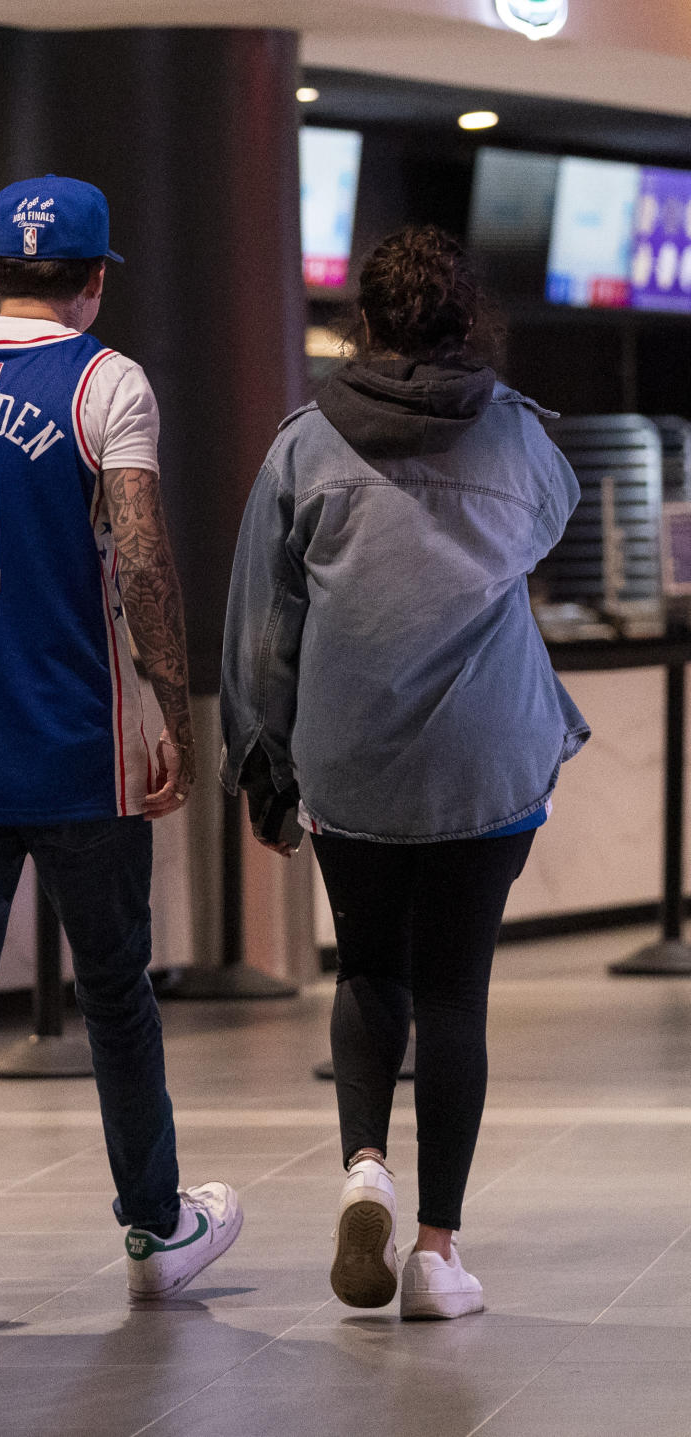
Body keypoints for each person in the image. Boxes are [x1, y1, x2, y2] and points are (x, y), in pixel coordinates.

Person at [0, 173, 242, 1332]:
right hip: (80, 748)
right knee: (118, 993)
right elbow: (145, 558)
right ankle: (157, 1229)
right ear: (98, 278)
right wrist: (176, 706)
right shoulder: (107, 381)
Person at [219, 226, 589, 1319]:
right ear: (466, 319)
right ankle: (435, 1254)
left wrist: (266, 763)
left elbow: (260, 628)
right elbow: (551, 526)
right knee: (454, 990)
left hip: (354, 761)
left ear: (362, 322)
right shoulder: (519, 439)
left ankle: (365, 1165)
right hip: (487, 759)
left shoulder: (304, 446)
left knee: (369, 970)